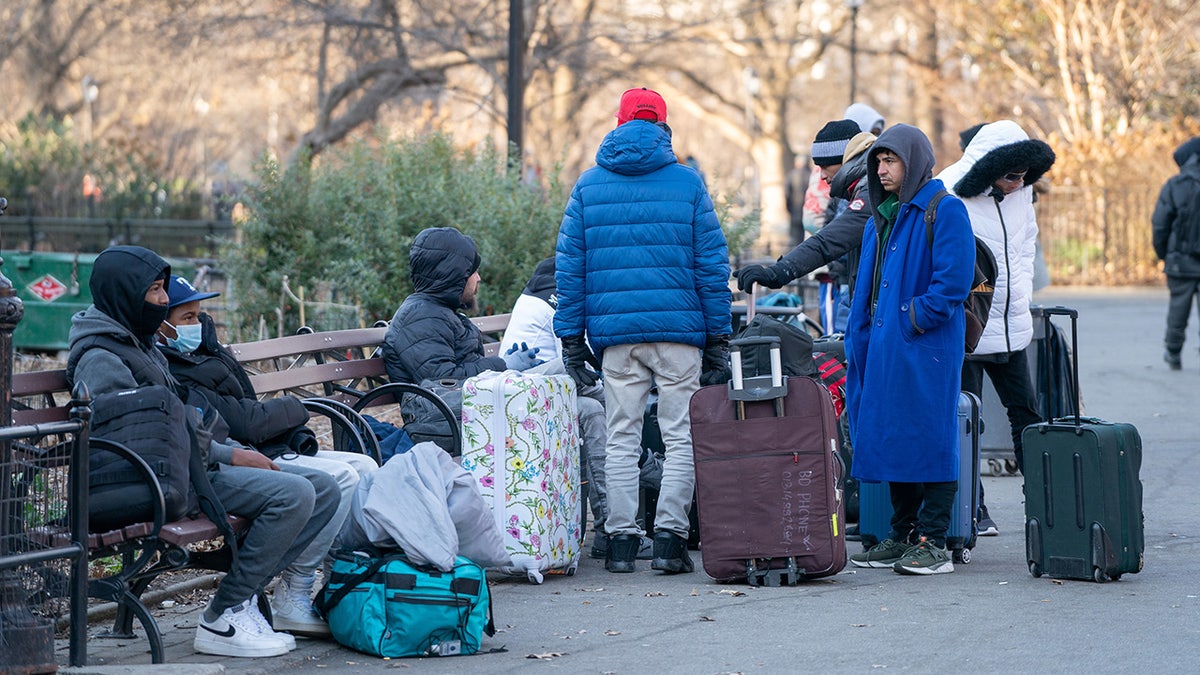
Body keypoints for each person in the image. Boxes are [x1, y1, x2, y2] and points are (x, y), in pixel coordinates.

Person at [66, 246, 339, 658]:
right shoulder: (101, 356)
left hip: (185, 469)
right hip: (152, 481)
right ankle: (223, 616)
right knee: (295, 494)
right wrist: (229, 457)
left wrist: (230, 448)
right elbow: (130, 440)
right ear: (125, 293)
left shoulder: (140, 345)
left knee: (324, 488)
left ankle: (241, 598)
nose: (162, 300)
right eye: (155, 291)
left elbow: (183, 421)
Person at [554, 86, 731, 574]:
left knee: (620, 436)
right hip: (679, 335)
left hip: (617, 340)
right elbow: (712, 267)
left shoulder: (589, 186)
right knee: (680, 437)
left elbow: (571, 269)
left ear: (619, 124)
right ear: (663, 128)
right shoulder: (687, 183)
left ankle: (621, 544)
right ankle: (672, 541)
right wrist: (718, 337)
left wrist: (571, 340)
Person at [155, 275, 378, 635]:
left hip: (260, 447)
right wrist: (297, 407)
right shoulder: (177, 368)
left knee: (365, 466)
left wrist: (287, 420)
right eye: (187, 318)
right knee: (340, 478)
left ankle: (335, 584)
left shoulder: (207, 354)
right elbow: (243, 421)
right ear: (161, 326)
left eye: (199, 315)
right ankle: (294, 589)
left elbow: (247, 413)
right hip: (240, 454)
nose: (198, 325)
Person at [843, 125, 975, 575]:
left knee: (932, 436)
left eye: (891, 161)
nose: (881, 170)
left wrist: (910, 318)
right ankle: (902, 534)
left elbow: (953, 285)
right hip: (883, 345)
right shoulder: (886, 213)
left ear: (914, 161)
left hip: (924, 345)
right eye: (878, 162)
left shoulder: (945, 209)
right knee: (894, 434)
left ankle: (934, 541)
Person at [937, 120, 1056, 535]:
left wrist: (1019, 295)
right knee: (969, 419)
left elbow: (1026, 246)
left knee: (1027, 413)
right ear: (989, 166)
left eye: (1023, 176)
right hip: (968, 326)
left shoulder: (1021, 193)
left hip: (1010, 324)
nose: (1016, 184)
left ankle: (1042, 503)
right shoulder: (948, 188)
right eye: (1010, 175)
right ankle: (974, 508)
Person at [496, 256, 645, 561]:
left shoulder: (551, 281)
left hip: (542, 391)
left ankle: (611, 530)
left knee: (595, 408)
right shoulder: (557, 294)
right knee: (609, 392)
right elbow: (577, 354)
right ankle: (643, 470)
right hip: (521, 390)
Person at [736, 120, 875, 335]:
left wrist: (777, 272)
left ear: (845, 160)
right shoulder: (856, 190)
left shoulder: (870, 192)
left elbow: (828, 241)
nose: (820, 175)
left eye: (825, 166)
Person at [381, 227, 543, 384]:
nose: (478, 278)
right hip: (448, 409)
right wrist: (502, 366)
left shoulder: (437, 312)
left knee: (556, 373)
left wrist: (504, 366)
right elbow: (443, 381)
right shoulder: (421, 317)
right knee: (561, 373)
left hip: (471, 404)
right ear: (455, 275)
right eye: (473, 271)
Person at [1152, 136, 1200, 371]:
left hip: (1181, 260)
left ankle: (1173, 352)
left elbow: (1160, 224)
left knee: (1178, 309)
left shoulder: (1176, 185)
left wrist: (1164, 254)